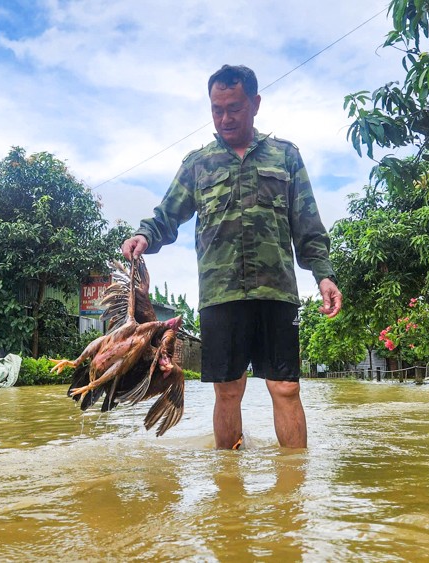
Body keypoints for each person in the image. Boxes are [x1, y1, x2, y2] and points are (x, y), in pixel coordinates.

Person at [121, 64, 342, 449]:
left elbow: (307, 223)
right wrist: (144, 235)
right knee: (227, 391)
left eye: (234, 107)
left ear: (255, 104)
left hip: (277, 294)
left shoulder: (286, 157)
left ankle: (293, 495)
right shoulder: (198, 164)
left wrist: (323, 274)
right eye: (216, 109)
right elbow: (166, 215)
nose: (225, 118)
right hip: (220, 294)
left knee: (286, 387)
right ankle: (229, 491)